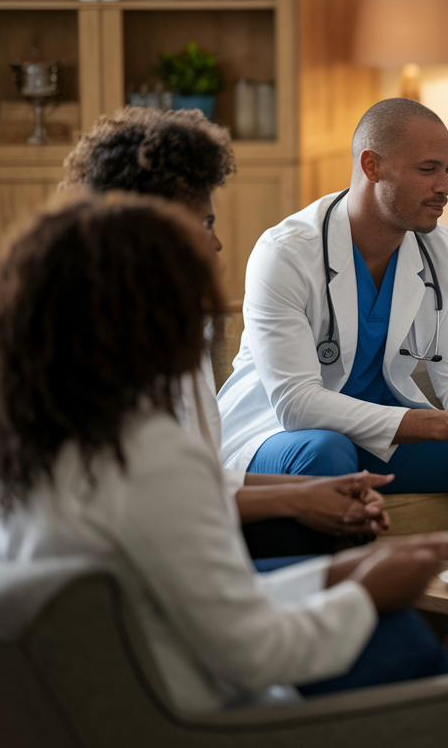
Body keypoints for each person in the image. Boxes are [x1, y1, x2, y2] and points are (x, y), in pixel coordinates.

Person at [0, 197, 448, 711]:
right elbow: (255, 653)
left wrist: (336, 575)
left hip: (92, 691)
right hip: (188, 709)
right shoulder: (149, 453)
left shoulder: (24, 442)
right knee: (402, 636)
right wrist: (366, 595)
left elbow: (194, 600)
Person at [216, 98, 448, 665]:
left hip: (376, 429)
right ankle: (364, 639)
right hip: (277, 438)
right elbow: (295, 405)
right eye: (427, 170)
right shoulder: (285, 252)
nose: (444, 186)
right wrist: (440, 424)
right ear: (372, 166)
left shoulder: (445, 254)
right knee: (324, 450)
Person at [60, 107, 392, 560]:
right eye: (205, 224)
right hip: (131, 565)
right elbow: (160, 503)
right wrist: (298, 496)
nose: (216, 243)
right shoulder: (96, 346)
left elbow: (194, 478)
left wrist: (328, 489)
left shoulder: (175, 326)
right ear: (151, 232)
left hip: (182, 536)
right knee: (366, 585)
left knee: (346, 529)